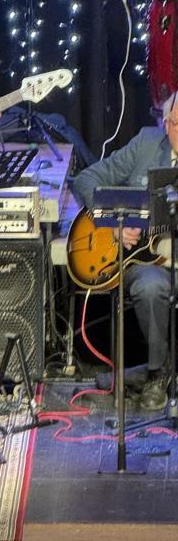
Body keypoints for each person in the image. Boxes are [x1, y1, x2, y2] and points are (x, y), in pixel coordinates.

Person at [72, 96, 178, 411]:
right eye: (175, 123)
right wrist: (114, 224)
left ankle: (154, 371)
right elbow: (86, 179)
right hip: (143, 262)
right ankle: (157, 374)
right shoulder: (147, 143)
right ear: (166, 124)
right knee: (150, 286)